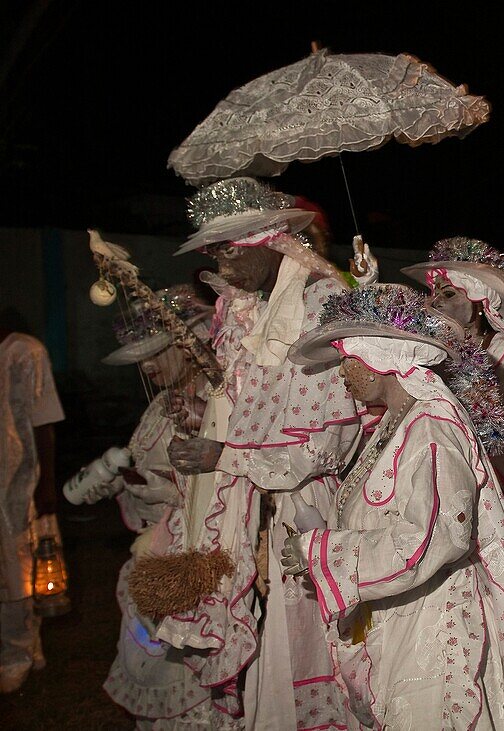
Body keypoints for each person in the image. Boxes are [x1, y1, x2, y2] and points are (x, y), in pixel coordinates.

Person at [280, 284, 504, 729]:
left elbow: (434, 538)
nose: (341, 376)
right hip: (404, 614)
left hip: (436, 624)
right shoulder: (398, 424)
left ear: (381, 359)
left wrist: (324, 555)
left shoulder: (431, 427)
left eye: (348, 361)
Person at [160, 177, 361, 728]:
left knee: (310, 653)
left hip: (308, 511)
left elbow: (324, 444)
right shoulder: (246, 312)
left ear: (267, 239)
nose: (219, 262)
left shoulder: (320, 304)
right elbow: (249, 414)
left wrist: (225, 455)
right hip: (253, 510)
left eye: (227, 247)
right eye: (212, 250)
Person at [68, 286, 218, 726]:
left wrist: (171, 495)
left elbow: (228, 489)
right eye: (141, 357)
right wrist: (121, 487)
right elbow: (148, 477)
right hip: (153, 566)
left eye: (157, 353)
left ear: (189, 345)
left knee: (193, 692)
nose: (147, 366)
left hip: (192, 566)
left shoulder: (214, 405)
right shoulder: (157, 406)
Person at [403, 237, 504, 619]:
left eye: (447, 293)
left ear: (478, 302)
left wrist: (492, 467)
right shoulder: (434, 362)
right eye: (431, 294)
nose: (434, 303)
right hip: (450, 496)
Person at [0, 327, 63, 694]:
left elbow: (44, 422)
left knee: (16, 564)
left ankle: (18, 652)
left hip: (14, 478)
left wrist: (46, 485)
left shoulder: (24, 352)